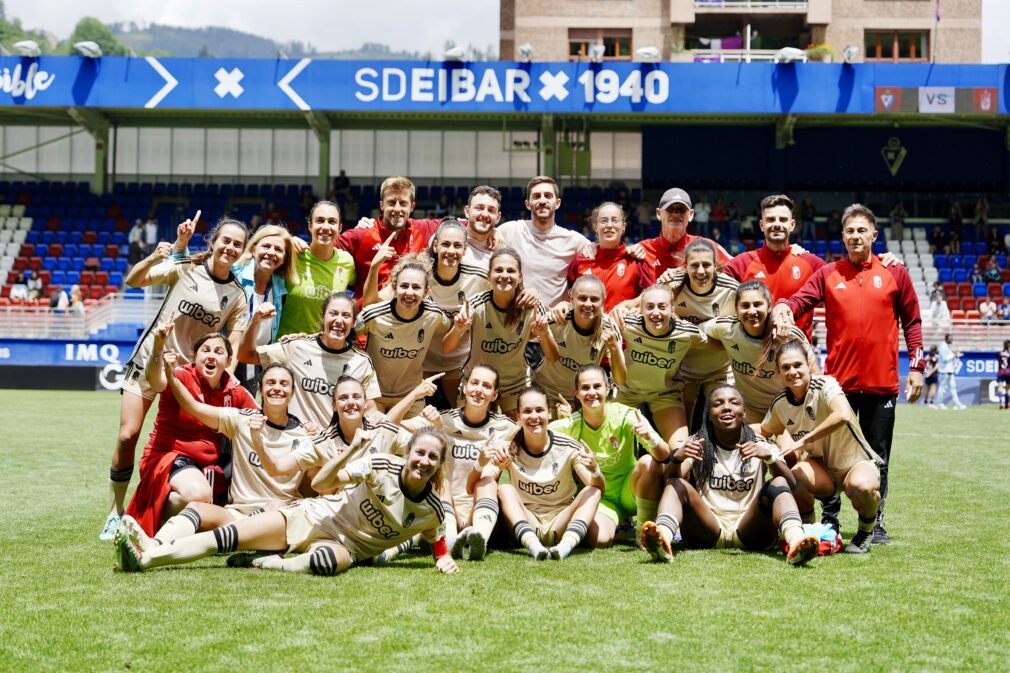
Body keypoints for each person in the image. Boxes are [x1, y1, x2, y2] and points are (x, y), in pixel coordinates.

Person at [771, 204, 925, 545]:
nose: (855, 236)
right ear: (842, 236)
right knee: (826, 453)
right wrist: (782, 308)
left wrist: (916, 367)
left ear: (874, 234)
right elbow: (799, 301)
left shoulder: (895, 272)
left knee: (878, 455)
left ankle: (876, 521)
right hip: (836, 385)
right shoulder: (828, 273)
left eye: (861, 230)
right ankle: (831, 515)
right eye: (849, 231)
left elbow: (913, 321)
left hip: (881, 385)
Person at [115, 428, 460, 576]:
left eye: (433, 457)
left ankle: (269, 563)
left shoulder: (432, 511)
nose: (424, 461)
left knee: (329, 563)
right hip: (313, 517)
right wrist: (354, 450)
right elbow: (323, 483)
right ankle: (148, 556)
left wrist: (443, 560)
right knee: (222, 539)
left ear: (439, 463)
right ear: (409, 452)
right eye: (420, 453)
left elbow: (438, 540)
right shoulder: (381, 464)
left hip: (346, 547)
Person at [100, 216, 249, 541]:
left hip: (185, 378)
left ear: (242, 251)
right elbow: (135, 280)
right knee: (128, 435)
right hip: (149, 361)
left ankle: (157, 504)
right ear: (213, 241)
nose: (231, 248)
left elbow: (233, 347)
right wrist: (156, 257)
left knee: (173, 446)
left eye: (238, 244)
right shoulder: (185, 267)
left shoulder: (237, 296)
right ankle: (114, 511)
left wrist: (228, 381)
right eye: (226, 240)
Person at [641, 384, 820, 566]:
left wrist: (769, 458)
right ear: (709, 414)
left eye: (734, 403)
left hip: (751, 529)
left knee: (779, 480)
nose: (726, 407)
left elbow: (790, 485)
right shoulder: (697, 442)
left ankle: (796, 540)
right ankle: (662, 537)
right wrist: (677, 458)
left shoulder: (761, 444)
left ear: (744, 412)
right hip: (706, 530)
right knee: (677, 484)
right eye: (718, 403)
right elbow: (670, 482)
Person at [123, 325, 257, 537]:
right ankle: (151, 511)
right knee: (199, 495)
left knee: (223, 497)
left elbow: (260, 419)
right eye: (206, 350)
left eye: (218, 352)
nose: (211, 356)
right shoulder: (181, 376)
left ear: (228, 362)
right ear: (195, 356)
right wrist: (158, 345)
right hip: (166, 457)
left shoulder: (234, 391)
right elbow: (154, 379)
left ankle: (173, 514)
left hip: (206, 465)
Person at [759, 342, 884, 554]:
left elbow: (842, 414)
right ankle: (808, 534)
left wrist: (804, 440)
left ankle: (865, 531)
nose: (793, 372)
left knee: (862, 487)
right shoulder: (780, 403)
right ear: (778, 372)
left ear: (809, 364)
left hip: (856, 464)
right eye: (786, 367)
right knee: (794, 477)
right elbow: (764, 431)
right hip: (823, 470)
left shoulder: (826, 384)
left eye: (797, 365)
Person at [364, 218, 489, 406]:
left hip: (457, 363)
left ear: (465, 249)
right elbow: (371, 304)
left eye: (457, 246)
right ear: (436, 246)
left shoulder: (478, 277)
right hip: (420, 365)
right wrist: (374, 267)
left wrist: (530, 292)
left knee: (462, 416)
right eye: (446, 244)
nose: (451, 251)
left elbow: (507, 292)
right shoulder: (417, 276)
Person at [549, 365, 670, 547]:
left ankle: (642, 533)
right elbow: (536, 433)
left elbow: (664, 455)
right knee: (598, 541)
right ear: (576, 393)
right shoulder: (571, 424)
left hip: (631, 491)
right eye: (585, 388)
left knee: (647, 462)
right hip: (602, 497)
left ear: (608, 388)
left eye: (597, 386)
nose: (592, 392)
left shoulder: (627, 415)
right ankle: (619, 524)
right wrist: (507, 442)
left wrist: (650, 438)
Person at [487, 386, 605, 560]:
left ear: (549, 414)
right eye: (527, 411)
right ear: (518, 417)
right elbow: (481, 480)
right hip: (527, 521)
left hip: (561, 522)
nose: (534, 416)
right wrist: (487, 461)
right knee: (504, 489)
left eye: (539, 410)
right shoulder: (509, 447)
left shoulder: (568, 446)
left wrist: (595, 469)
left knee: (592, 491)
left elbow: (598, 488)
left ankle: (565, 546)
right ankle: (533, 546)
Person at [240, 293, 381, 429]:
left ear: (353, 323)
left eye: (346, 316)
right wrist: (255, 322)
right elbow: (245, 355)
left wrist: (376, 417)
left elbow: (370, 409)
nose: (339, 320)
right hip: (296, 442)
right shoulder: (297, 347)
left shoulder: (361, 362)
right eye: (333, 314)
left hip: (334, 447)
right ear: (322, 318)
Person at [444, 248, 557, 417]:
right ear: (489, 275)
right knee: (473, 434)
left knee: (518, 437)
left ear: (520, 277)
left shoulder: (530, 307)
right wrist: (458, 328)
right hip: (478, 383)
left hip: (516, 384)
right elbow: (447, 347)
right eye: (498, 270)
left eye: (511, 271)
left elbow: (553, 357)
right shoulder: (476, 304)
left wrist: (544, 333)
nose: (504, 275)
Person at [433, 365, 520, 561]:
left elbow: (529, 443)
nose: (479, 390)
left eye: (486, 386)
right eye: (474, 383)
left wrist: (509, 457)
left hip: (480, 509)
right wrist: (414, 397)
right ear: (464, 387)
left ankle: (479, 536)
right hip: (445, 506)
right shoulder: (444, 420)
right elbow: (397, 428)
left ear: (495, 394)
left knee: (488, 481)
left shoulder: (506, 427)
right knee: (441, 480)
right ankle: (451, 539)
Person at [703, 280, 814, 423]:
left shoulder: (788, 335)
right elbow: (694, 331)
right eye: (745, 306)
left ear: (769, 307)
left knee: (786, 447)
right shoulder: (725, 328)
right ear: (736, 310)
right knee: (740, 442)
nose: (752, 311)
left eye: (757, 304)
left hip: (787, 406)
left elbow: (815, 375)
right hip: (750, 409)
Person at [356, 255, 453, 415]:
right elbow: (345, 336)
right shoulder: (373, 314)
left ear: (426, 292)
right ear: (394, 287)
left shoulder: (434, 315)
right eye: (404, 286)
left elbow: (446, 329)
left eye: (416, 287)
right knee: (377, 437)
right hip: (374, 395)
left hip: (411, 395)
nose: (409, 293)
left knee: (419, 438)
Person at [614, 284, 706, 446]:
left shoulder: (688, 333)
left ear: (672, 309)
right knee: (610, 445)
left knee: (681, 451)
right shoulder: (626, 324)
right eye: (649, 307)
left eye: (662, 307)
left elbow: (715, 345)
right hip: (627, 393)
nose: (656, 313)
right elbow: (597, 322)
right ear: (640, 309)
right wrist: (618, 308)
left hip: (665, 395)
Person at [660, 238, 739, 425]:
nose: (701, 271)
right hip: (684, 370)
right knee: (683, 425)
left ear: (715, 266)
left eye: (706, 265)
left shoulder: (732, 290)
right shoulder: (671, 285)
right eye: (694, 265)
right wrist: (624, 307)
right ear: (685, 266)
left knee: (725, 419)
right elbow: (643, 303)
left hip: (720, 370)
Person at [722, 195, 825, 337]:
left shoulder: (812, 264)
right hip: (754, 355)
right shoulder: (742, 263)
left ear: (792, 225)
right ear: (761, 225)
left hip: (798, 355)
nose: (777, 224)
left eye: (783, 219)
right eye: (770, 220)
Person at [493, 176, 592, 309]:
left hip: (554, 323)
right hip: (517, 321)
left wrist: (629, 250)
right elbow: (475, 234)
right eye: (537, 196)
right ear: (528, 204)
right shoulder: (510, 230)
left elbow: (603, 251)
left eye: (548, 196)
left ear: (557, 203)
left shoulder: (573, 240)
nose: (542, 200)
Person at [337, 176, 441, 301]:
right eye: (391, 203)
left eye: (403, 203)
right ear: (382, 205)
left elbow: (462, 224)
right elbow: (321, 251)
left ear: (412, 206)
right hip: (369, 316)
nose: (397, 209)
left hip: (409, 316)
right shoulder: (361, 235)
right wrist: (305, 244)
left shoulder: (422, 229)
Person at [535, 275, 626, 411]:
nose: (588, 304)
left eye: (594, 299)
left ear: (602, 302)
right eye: (582, 298)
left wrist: (614, 350)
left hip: (581, 398)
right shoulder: (558, 318)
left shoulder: (609, 328)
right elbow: (532, 338)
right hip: (544, 390)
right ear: (571, 299)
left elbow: (620, 380)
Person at [227, 224, 299, 392]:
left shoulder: (280, 286)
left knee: (246, 410)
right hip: (227, 354)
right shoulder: (234, 274)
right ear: (253, 249)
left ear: (284, 259)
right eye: (266, 246)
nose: (271, 252)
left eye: (278, 250)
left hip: (253, 358)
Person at [276, 201, 355, 337]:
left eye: (332, 222)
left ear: (340, 228)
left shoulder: (347, 262)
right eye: (320, 221)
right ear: (310, 226)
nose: (325, 227)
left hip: (323, 349)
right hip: (287, 346)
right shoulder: (293, 255)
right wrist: (284, 240)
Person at [566, 202, 655, 311]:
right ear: (595, 226)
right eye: (603, 221)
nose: (609, 225)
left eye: (614, 220)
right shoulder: (581, 261)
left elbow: (651, 296)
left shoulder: (636, 260)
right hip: (587, 327)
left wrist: (630, 306)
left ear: (623, 227)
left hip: (623, 327)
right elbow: (569, 299)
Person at [637, 188, 731, 278]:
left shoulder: (707, 246)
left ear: (690, 214)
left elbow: (739, 268)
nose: (676, 214)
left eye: (682, 210)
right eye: (670, 209)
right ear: (658, 213)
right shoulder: (641, 250)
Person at [462, 185, 503, 268]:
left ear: (498, 218)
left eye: (491, 210)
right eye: (479, 208)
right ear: (467, 211)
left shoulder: (502, 254)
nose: (485, 214)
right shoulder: (449, 243)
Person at [936, 334, 965, 410]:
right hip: (944, 371)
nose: (952, 340)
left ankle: (957, 404)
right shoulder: (943, 347)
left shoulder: (947, 346)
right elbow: (945, 358)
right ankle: (939, 403)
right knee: (942, 388)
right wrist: (954, 354)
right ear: (946, 339)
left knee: (953, 387)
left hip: (950, 370)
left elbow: (949, 356)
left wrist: (955, 354)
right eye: (950, 339)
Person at [997, 341, 1010, 410]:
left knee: (1000, 388)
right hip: (1008, 372)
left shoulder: (999, 353)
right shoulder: (1009, 353)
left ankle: (1001, 402)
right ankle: (1007, 404)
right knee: (1007, 390)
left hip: (1001, 372)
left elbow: (998, 360)